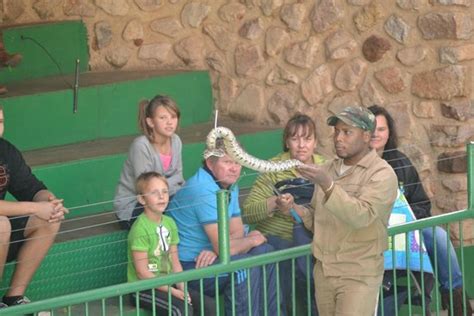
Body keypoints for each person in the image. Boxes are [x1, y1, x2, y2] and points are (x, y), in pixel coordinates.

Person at [368, 105, 473, 316]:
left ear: (389, 133)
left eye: (381, 129)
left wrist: (404, 218)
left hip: (408, 229)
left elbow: (422, 203)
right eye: (371, 128)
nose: (375, 134)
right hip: (371, 234)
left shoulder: (401, 162)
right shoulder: (354, 165)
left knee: (439, 237)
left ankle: (456, 302)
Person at [297, 106, 398, 315]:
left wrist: (329, 186)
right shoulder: (326, 169)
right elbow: (318, 221)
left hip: (358, 275)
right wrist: (293, 209)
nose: (338, 138)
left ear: (366, 136)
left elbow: (362, 216)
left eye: (347, 132)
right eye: (336, 131)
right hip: (324, 272)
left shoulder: (382, 173)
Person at [167, 141, 278, 316]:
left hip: (212, 258)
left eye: (237, 162)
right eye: (227, 162)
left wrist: (218, 250)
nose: (234, 168)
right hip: (188, 267)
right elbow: (227, 246)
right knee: (242, 267)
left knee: (266, 252)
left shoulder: (229, 185)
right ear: (210, 163)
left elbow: (236, 233)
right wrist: (244, 241)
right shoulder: (202, 188)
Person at [242, 113, 324, 315]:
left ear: (315, 142)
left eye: (307, 138)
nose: (301, 145)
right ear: (287, 142)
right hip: (280, 240)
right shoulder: (273, 168)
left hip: (318, 237)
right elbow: (249, 212)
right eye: (295, 138)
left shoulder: (326, 167)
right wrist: (274, 203)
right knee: (291, 257)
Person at [0, 106, 68, 308]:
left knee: (49, 219)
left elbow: (32, 188)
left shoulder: (6, 150)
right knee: (1, 225)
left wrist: (49, 201)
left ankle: (14, 299)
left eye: (1, 121)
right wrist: (34, 208)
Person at [127, 171, 215, 315]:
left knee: (209, 306)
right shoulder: (140, 228)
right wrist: (172, 291)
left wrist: (182, 288)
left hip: (168, 283)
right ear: (142, 199)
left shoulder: (169, 223)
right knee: (180, 310)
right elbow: (142, 273)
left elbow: (175, 262)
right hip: (143, 288)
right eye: (154, 193)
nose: (161, 196)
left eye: (165, 191)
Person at [114, 95, 184, 229]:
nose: (169, 122)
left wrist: (165, 186)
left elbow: (179, 176)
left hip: (163, 198)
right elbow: (148, 188)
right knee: (177, 214)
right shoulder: (141, 146)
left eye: (173, 117)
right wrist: (169, 185)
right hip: (135, 206)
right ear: (151, 122)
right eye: (163, 118)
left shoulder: (176, 141)